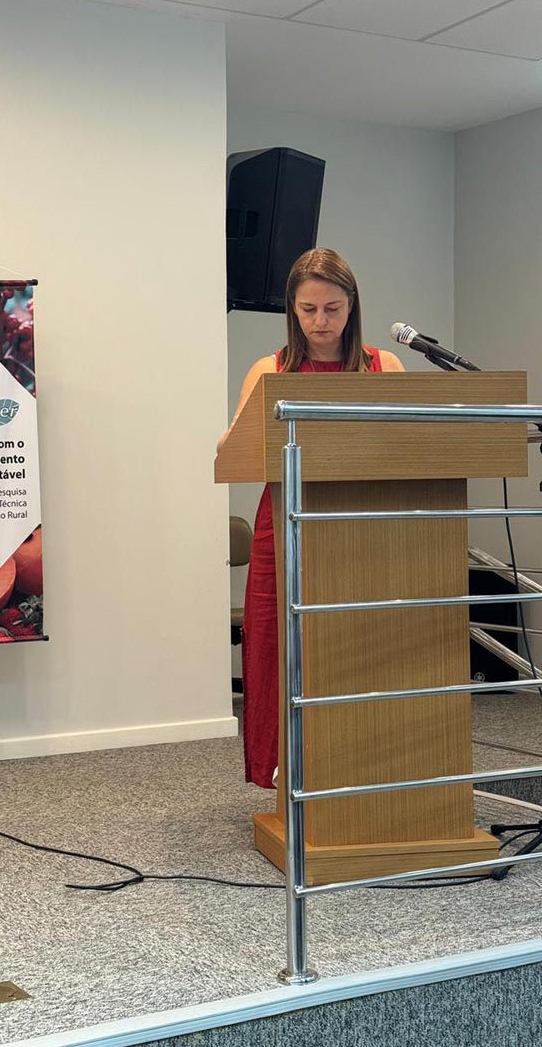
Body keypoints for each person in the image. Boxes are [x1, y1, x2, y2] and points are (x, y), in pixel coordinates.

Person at [218, 248, 404, 788]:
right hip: (285, 522)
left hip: (358, 524)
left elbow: (406, 447)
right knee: (277, 642)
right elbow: (233, 449)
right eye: (308, 310)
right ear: (292, 311)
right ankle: (285, 771)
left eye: (332, 309)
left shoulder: (384, 367)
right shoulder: (269, 369)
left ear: (352, 307)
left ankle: (361, 765)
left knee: (356, 643)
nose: (320, 322)